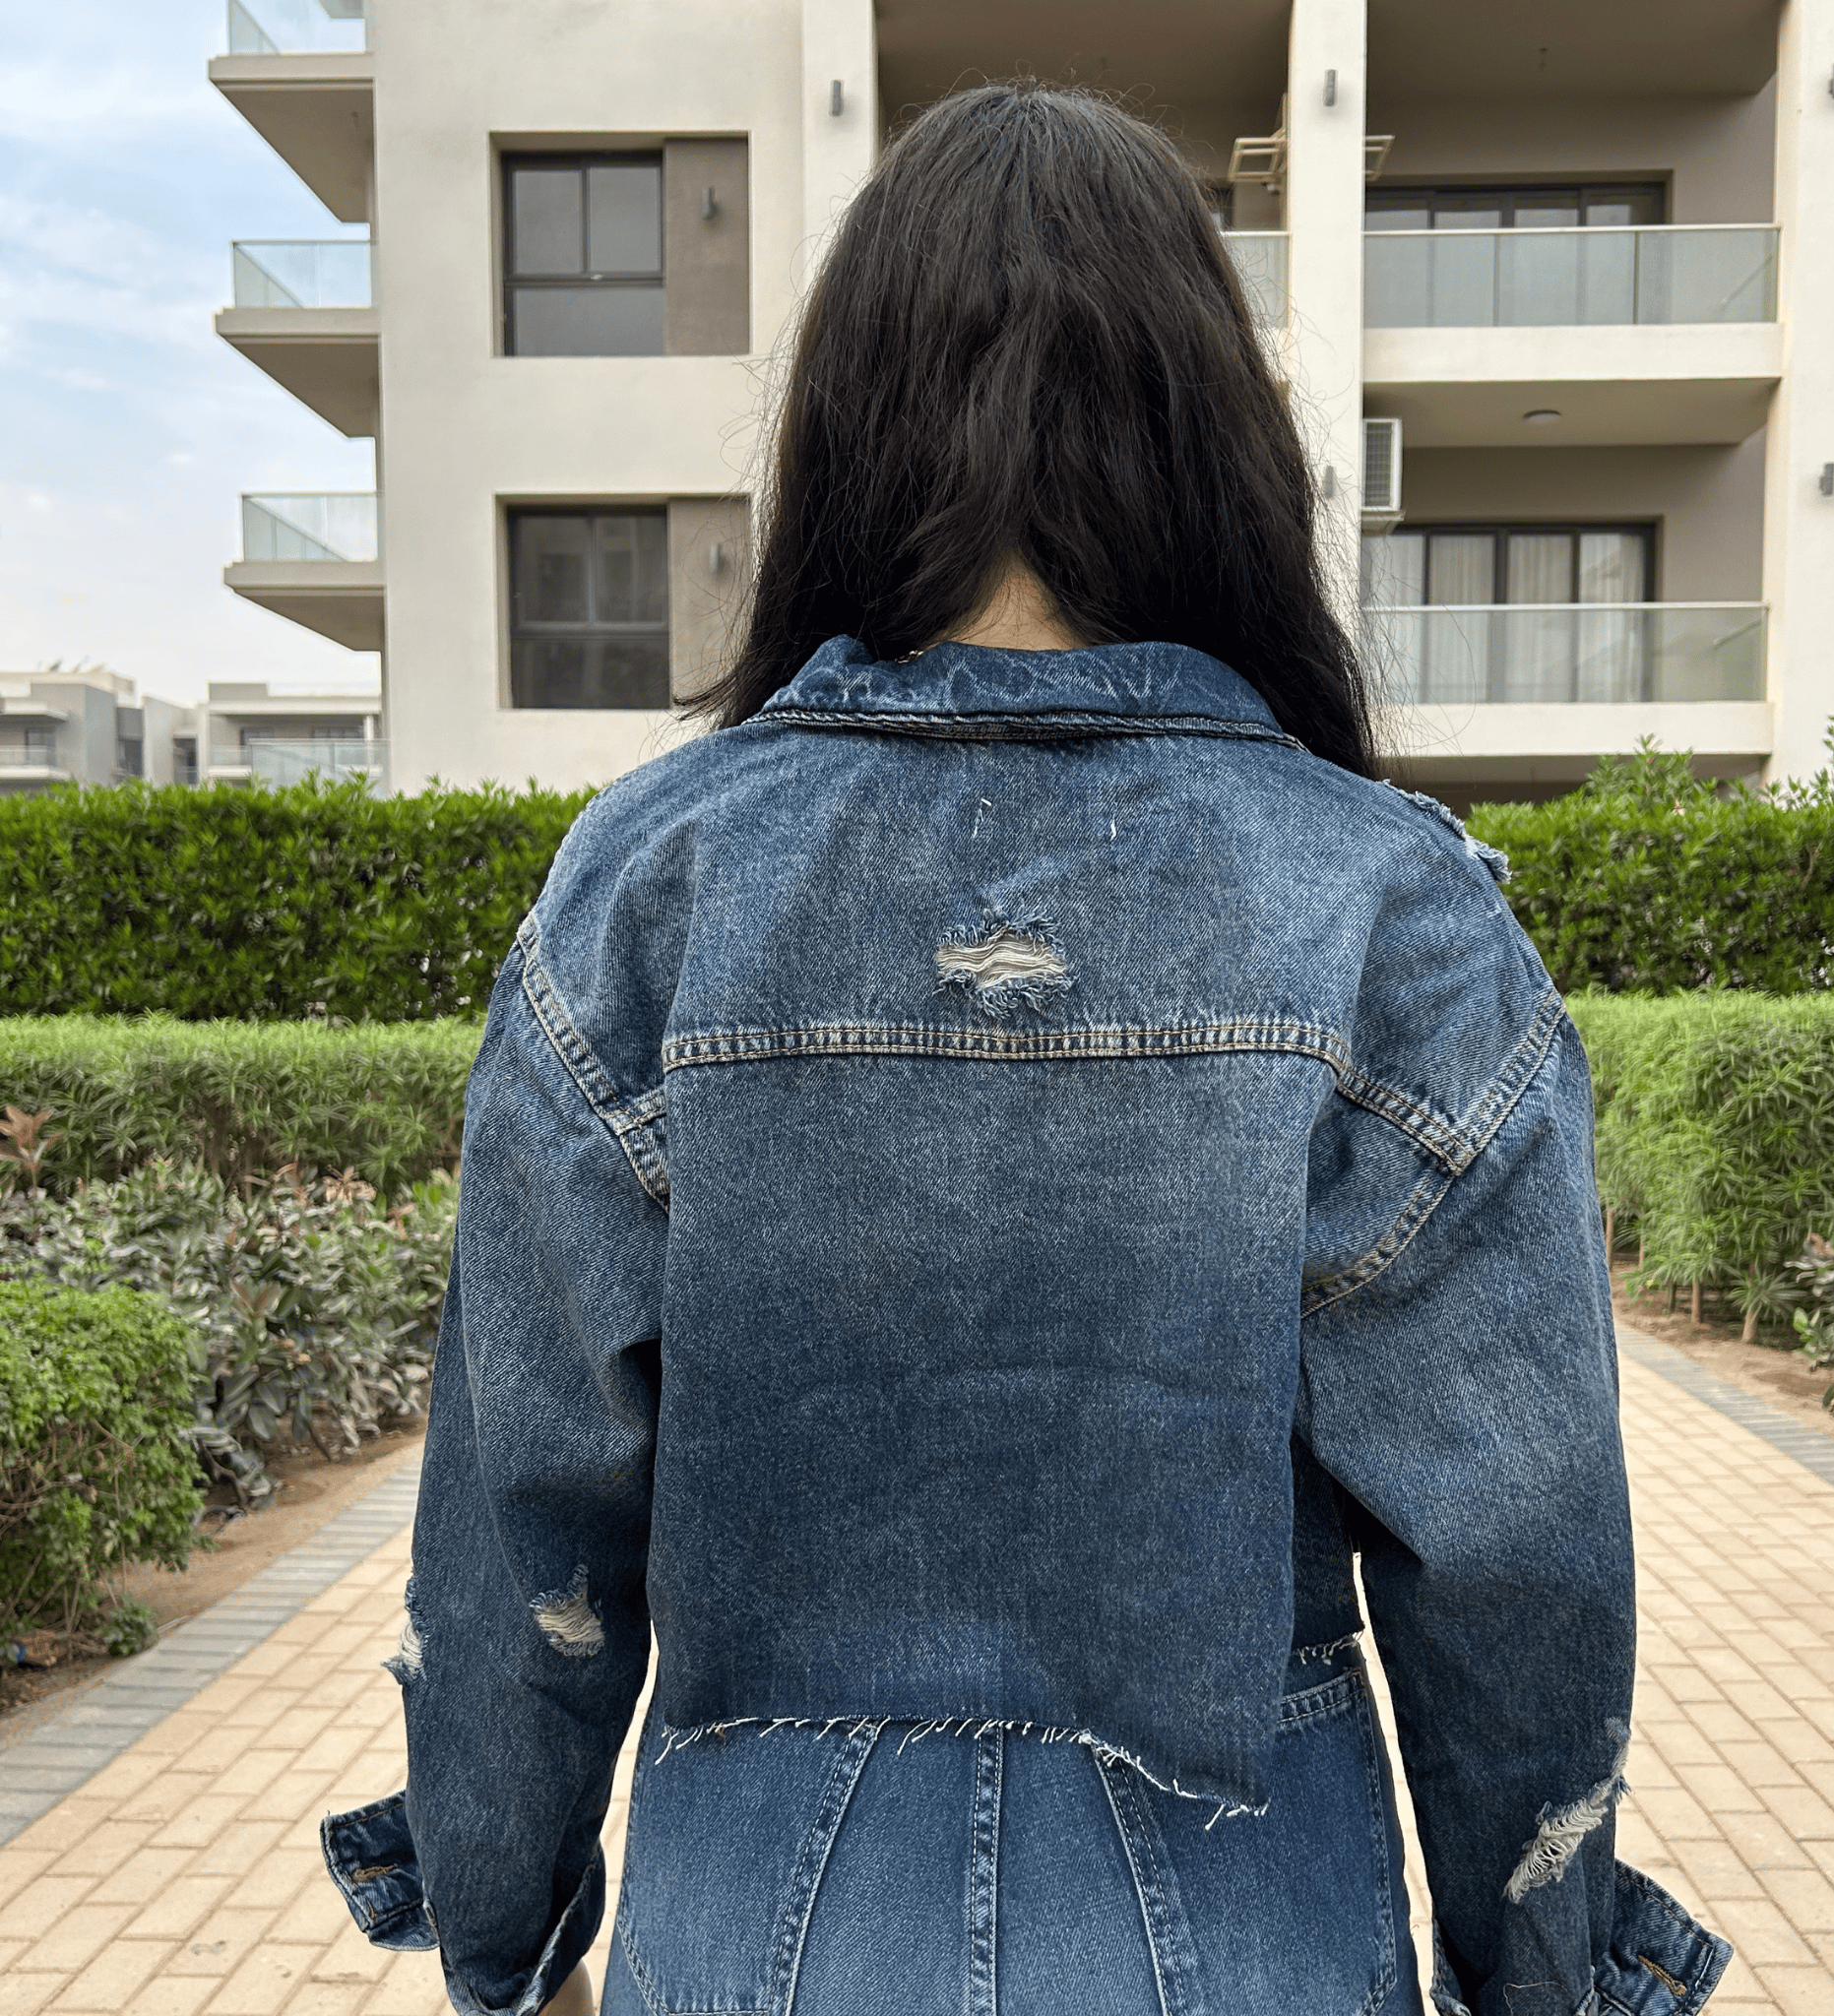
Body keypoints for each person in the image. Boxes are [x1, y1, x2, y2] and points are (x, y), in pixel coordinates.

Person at [322, 80, 1731, 2016]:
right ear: (1217, 446)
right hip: (1249, 1941)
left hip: (754, 1942)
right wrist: (1547, 1974)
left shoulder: (644, 894)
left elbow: (519, 1538)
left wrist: (508, 1930)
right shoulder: (1388, 908)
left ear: (837, 435)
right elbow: (1514, 1576)